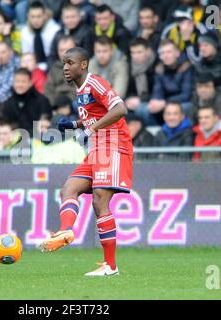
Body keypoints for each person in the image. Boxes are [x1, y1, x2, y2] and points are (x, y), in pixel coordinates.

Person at [37, 47, 133, 278]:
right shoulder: (80, 91)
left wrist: (89, 129)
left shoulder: (95, 83)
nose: (66, 67)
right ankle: (65, 231)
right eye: (63, 63)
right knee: (69, 188)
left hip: (113, 145)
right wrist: (75, 125)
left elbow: (120, 109)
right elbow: (96, 116)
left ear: (84, 64)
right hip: (97, 148)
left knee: (100, 201)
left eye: (70, 62)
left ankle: (110, 266)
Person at [137, 39, 194, 126]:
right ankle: (157, 133)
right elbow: (157, 90)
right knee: (142, 109)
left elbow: (186, 95)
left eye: (169, 52)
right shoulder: (160, 69)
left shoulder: (186, 67)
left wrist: (165, 103)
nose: (166, 56)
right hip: (164, 103)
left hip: (182, 102)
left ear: (177, 53)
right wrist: (155, 101)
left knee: (186, 107)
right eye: (163, 53)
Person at [1, 68, 52, 137]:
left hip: (38, 139)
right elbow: (6, 125)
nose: (20, 85)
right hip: (14, 140)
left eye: (23, 81)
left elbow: (45, 120)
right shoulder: (8, 103)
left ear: (30, 83)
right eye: (17, 81)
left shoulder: (42, 100)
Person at [192, 31, 221, 98]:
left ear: (214, 46)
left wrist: (209, 91)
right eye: (200, 46)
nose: (202, 48)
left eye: (206, 45)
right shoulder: (199, 65)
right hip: (202, 99)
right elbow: (194, 88)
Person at [20, 1, 60, 71]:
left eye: (39, 16)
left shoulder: (54, 30)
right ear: (28, 16)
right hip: (33, 66)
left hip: (52, 64)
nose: (35, 20)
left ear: (44, 15)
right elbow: (26, 54)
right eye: (33, 17)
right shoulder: (24, 32)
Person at [125, 37, 157, 115]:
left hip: (153, 101)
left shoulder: (156, 65)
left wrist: (140, 100)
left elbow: (158, 92)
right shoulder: (130, 66)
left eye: (139, 52)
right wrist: (130, 99)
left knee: (142, 110)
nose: (135, 56)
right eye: (133, 53)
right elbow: (129, 89)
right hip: (136, 100)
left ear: (148, 51)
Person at [44, 35, 76, 107]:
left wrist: (67, 104)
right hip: (57, 105)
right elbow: (48, 91)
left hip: (75, 105)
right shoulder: (54, 68)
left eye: (68, 49)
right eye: (61, 50)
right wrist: (55, 105)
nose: (64, 53)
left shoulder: (82, 66)